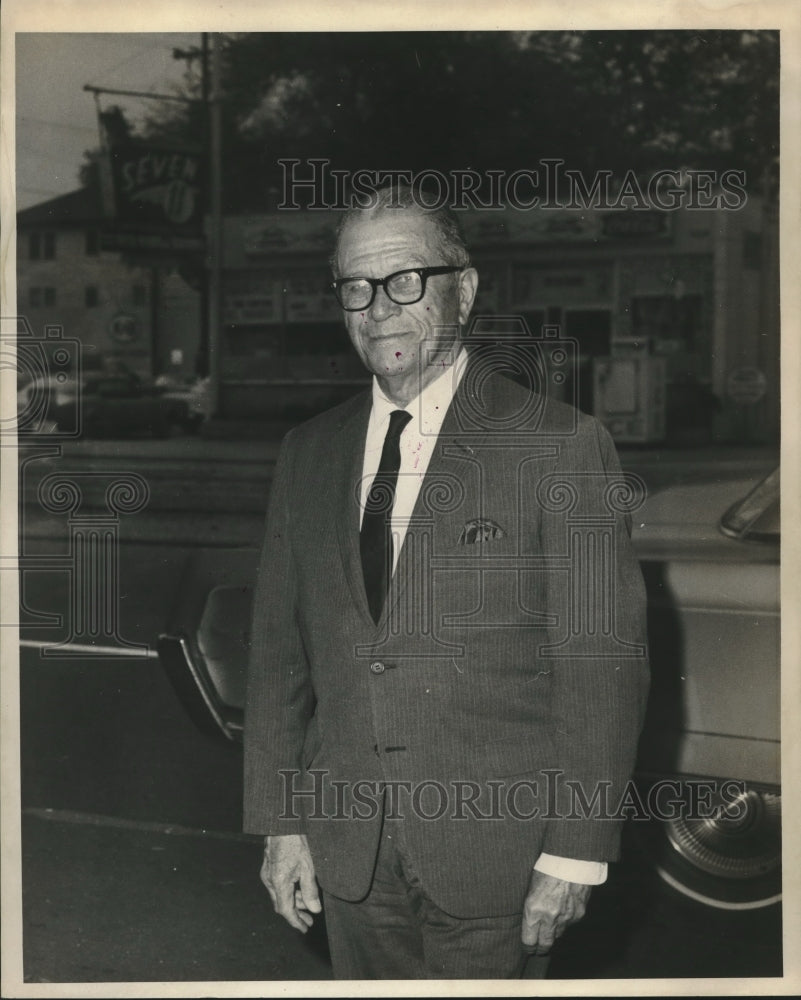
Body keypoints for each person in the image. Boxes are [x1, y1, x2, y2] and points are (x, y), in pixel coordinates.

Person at [244, 187, 649, 979]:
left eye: (405, 281)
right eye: (356, 286)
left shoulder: (558, 445)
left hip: (499, 854)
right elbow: (277, 656)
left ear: (462, 289)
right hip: (347, 850)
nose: (378, 309)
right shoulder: (308, 452)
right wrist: (282, 822)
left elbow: (601, 667)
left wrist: (575, 853)